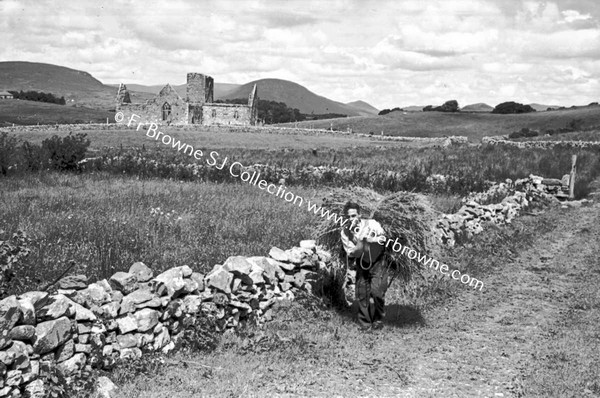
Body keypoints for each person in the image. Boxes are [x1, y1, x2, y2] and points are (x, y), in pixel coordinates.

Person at [340, 201, 388, 330]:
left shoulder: (371, 224)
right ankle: (365, 323)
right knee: (362, 293)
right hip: (362, 262)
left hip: (378, 261)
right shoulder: (345, 232)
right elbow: (351, 252)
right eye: (348, 217)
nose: (352, 219)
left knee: (377, 292)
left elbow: (384, 238)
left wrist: (373, 240)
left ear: (359, 215)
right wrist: (361, 242)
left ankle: (378, 320)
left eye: (354, 215)